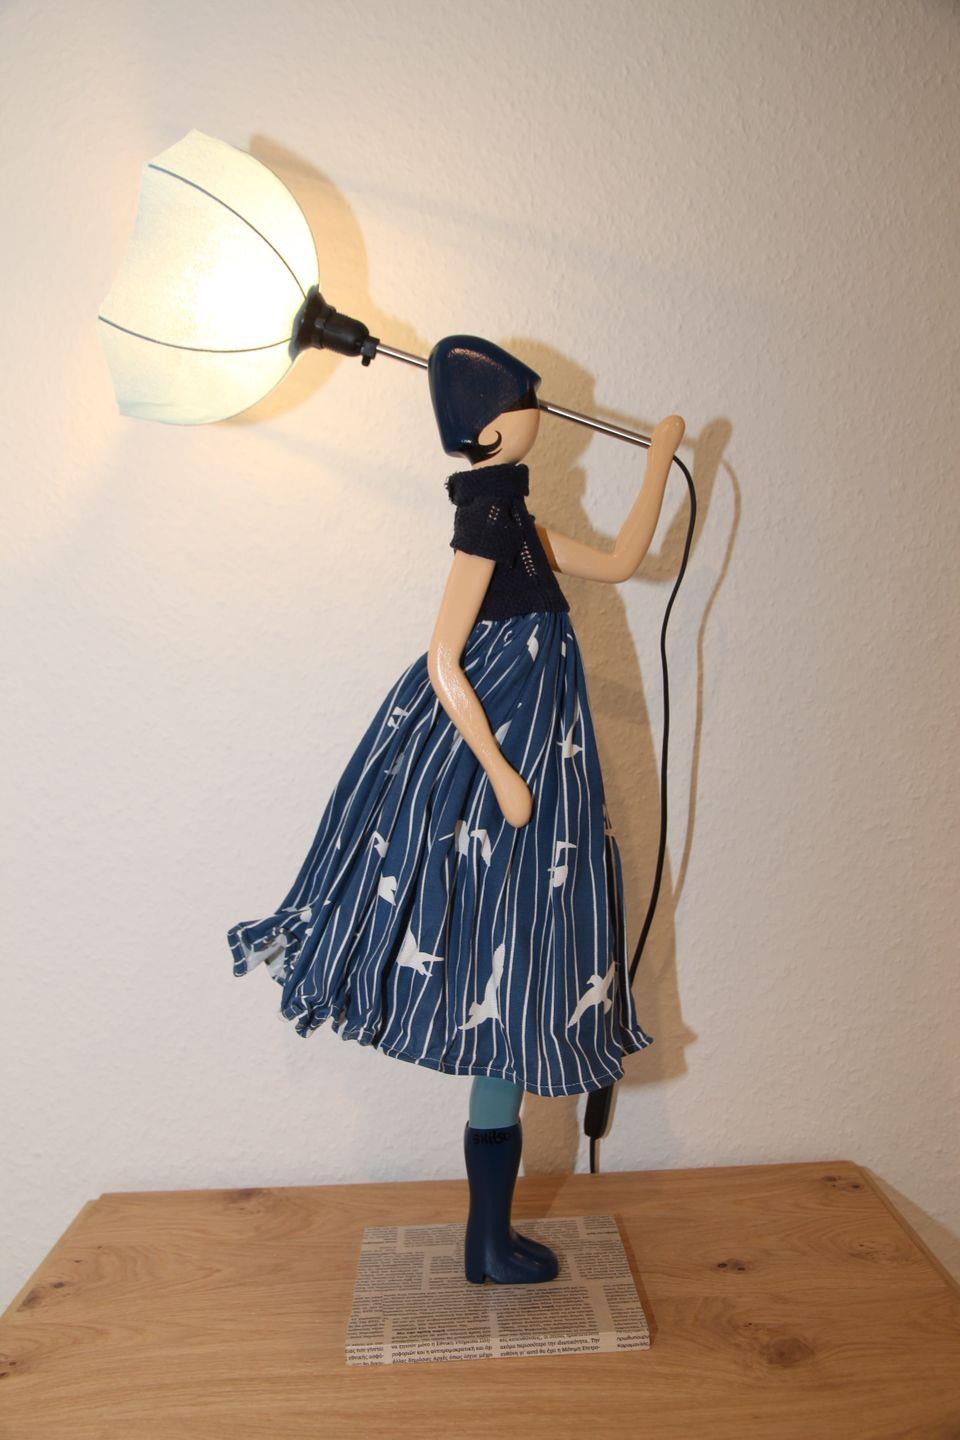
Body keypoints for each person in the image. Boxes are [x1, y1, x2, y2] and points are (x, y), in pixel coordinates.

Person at [228, 334, 684, 1283]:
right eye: (525, 403)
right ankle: (486, 1240)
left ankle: (490, 1238)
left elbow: (623, 561)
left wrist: (660, 463)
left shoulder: (518, 521)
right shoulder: (484, 522)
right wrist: (503, 773)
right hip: (507, 777)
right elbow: (445, 658)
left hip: (551, 771)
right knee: (503, 960)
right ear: (490, 428)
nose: (539, 413)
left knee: (523, 977)